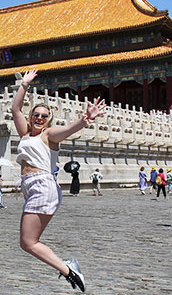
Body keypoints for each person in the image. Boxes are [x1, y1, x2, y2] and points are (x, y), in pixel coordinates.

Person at [11, 69, 106, 292]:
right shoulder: (25, 133)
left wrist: (84, 120)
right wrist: (24, 84)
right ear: (31, 115)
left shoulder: (49, 135)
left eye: (44, 116)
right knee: (28, 242)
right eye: (37, 114)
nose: (40, 118)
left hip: (43, 185)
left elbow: (68, 130)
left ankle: (69, 271)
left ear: (48, 120)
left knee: (28, 242)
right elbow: (15, 108)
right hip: (31, 187)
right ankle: (69, 270)